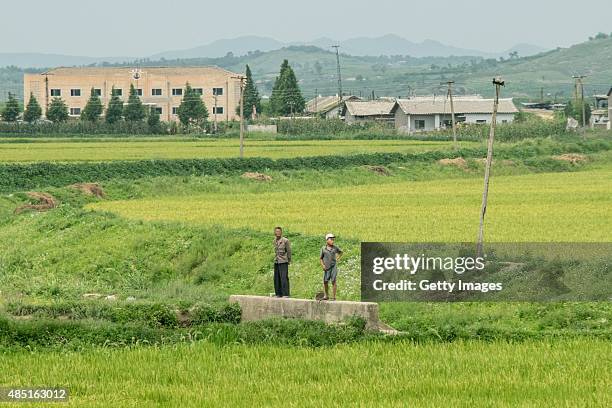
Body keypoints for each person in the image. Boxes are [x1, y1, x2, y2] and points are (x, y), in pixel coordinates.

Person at [320, 233, 343, 301]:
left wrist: (337, 258)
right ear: (327, 240)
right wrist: (323, 265)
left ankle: (334, 297)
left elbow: (341, 252)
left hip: (333, 266)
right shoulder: (323, 248)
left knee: (333, 280)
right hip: (326, 267)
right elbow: (321, 258)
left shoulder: (335, 247)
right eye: (331, 239)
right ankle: (326, 295)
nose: (332, 241)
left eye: (333, 239)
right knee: (325, 281)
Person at [273, 226, 291, 297]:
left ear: (281, 232)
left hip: (283, 261)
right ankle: (278, 293)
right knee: (276, 278)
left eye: (279, 231)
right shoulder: (274, 241)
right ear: (274, 232)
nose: (278, 233)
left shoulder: (285, 241)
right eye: (276, 231)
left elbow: (289, 251)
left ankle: (285, 293)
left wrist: (289, 260)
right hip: (276, 261)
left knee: (284, 277)